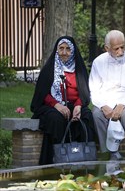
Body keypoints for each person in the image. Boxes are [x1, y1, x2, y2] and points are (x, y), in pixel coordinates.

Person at [30, 36, 96, 165]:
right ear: (57, 50)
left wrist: (78, 106)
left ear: (73, 51)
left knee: (86, 117)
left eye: (67, 49)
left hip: (75, 105)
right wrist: (57, 105)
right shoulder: (49, 69)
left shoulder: (79, 70)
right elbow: (42, 93)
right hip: (53, 106)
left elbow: (84, 92)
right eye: (61, 49)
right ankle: (57, 160)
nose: (64, 52)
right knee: (56, 119)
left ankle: (83, 161)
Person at [89, 30, 125, 160]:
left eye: (122, 47)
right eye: (116, 49)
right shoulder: (98, 62)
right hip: (105, 100)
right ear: (107, 48)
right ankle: (110, 152)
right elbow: (94, 89)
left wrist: (122, 105)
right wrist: (103, 105)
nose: (120, 51)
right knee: (97, 115)